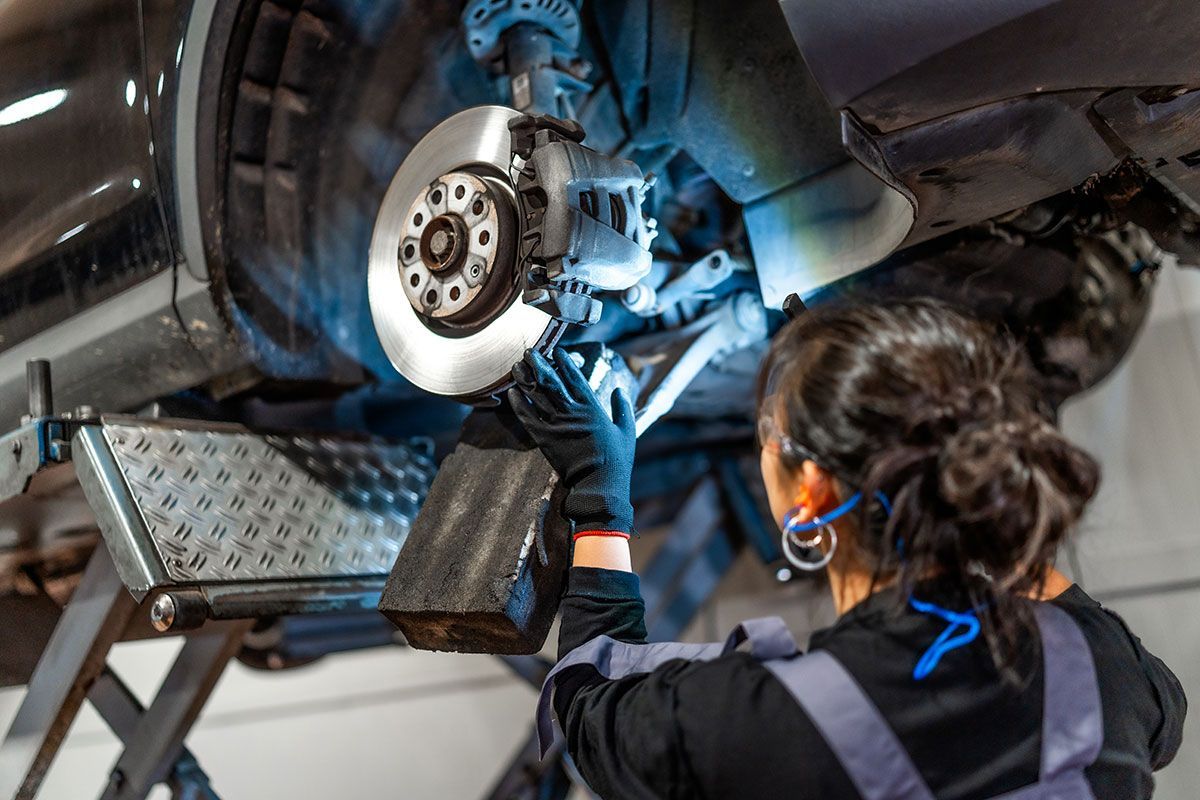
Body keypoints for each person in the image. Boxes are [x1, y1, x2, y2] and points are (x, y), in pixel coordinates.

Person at [506, 298, 1186, 800]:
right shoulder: (1104, 666)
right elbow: (1165, 720)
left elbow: (586, 704)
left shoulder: (763, 723)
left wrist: (601, 495)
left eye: (770, 432)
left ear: (812, 490)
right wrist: (973, 496)